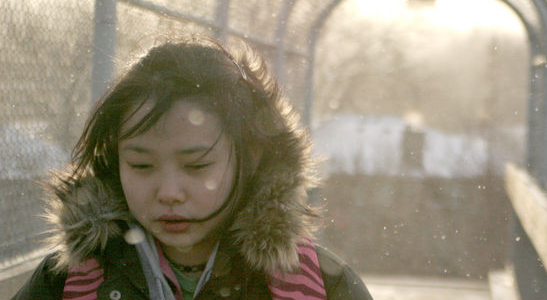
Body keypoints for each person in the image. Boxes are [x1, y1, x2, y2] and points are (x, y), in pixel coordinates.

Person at [12, 37, 372, 300]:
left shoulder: (323, 287)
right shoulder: (66, 282)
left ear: (253, 158)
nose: (168, 192)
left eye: (197, 166)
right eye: (141, 164)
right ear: (114, 163)